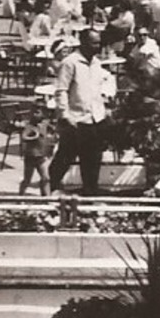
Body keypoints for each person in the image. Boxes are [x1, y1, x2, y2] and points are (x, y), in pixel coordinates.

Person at [47, 29, 116, 196]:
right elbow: (61, 90)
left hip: (94, 120)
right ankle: (51, 189)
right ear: (83, 43)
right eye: (94, 43)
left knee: (92, 162)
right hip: (76, 121)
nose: (98, 46)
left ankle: (89, 195)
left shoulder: (96, 63)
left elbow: (104, 82)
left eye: (99, 43)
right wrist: (65, 115)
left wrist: (106, 101)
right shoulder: (70, 63)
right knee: (64, 159)